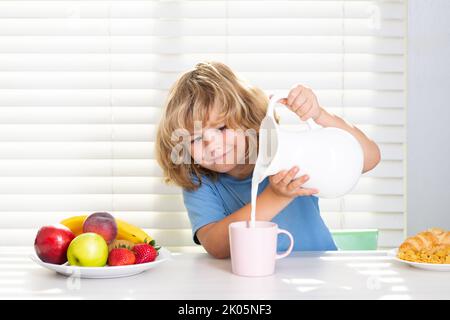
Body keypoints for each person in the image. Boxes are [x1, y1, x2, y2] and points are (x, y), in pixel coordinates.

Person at [155, 61, 381, 259]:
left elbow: (369, 158)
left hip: (320, 274)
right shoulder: (200, 182)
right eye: (195, 138)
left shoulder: (284, 151)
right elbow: (217, 245)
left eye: (222, 128)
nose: (211, 145)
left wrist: (319, 115)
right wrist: (275, 196)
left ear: (246, 118)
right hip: (255, 285)